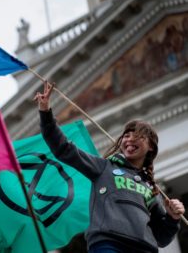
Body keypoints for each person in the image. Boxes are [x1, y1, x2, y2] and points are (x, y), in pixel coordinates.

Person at [34, 82, 185, 253]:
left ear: (150, 146)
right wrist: (45, 113)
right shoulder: (103, 168)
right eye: (126, 136)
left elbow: (161, 238)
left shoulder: (151, 189)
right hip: (108, 244)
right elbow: (64, 148)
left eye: (138, 136)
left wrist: (172, 218)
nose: (129, 139)